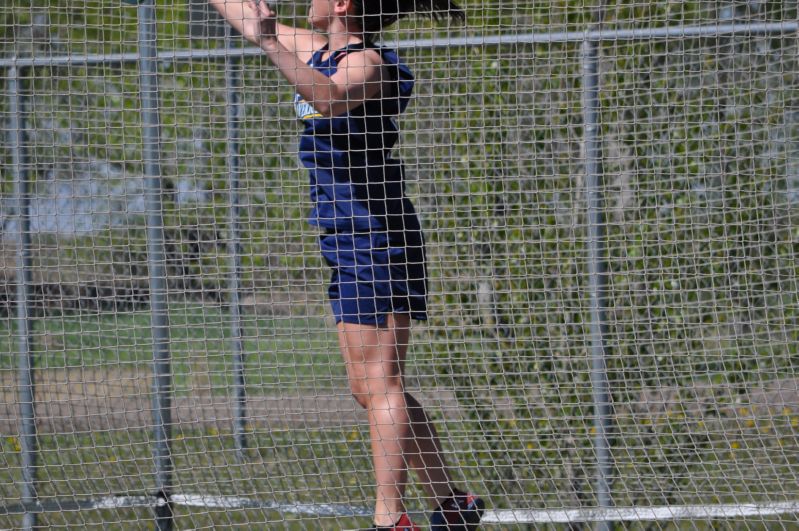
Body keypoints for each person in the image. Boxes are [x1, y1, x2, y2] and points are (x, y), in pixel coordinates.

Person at [208, 0, 484, 528]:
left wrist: (269, 44)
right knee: (369, 389)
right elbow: (251, 20)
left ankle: (390, 518)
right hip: (344, 239)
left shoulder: (368, 64)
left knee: (382, 383)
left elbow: (330, 100)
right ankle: (453, 503)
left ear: (342, 4)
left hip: (377, 238)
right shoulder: (323, 51)